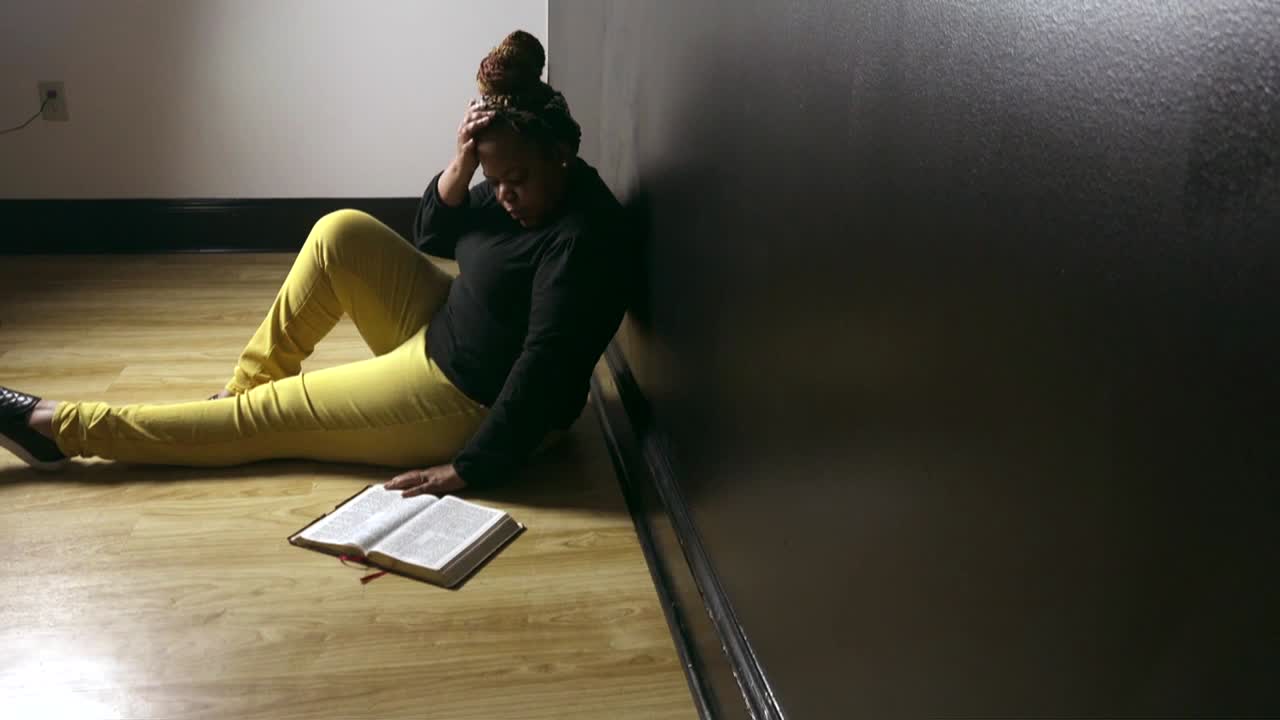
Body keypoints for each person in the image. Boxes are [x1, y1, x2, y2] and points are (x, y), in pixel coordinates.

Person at [0, 30, 631, 497]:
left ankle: (56, 427)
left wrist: (470, 467)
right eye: (494, 178)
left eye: (515, 178)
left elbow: (546, 369)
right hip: (448, 324)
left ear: (561, 155)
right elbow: (433, 234)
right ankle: (239, 392)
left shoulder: (584, 239)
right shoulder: (514, 177)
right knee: (340, 232)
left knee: (269, 422)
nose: (504, 194)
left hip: (472, 397)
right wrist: (463, 166)